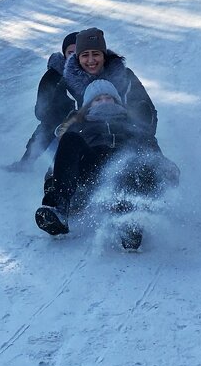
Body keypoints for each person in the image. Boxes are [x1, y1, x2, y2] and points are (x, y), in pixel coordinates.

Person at [35, 78, 179, 249]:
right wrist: (52, 183)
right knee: (70, 139)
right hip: (92, 173)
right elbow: (62, 160)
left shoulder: (133, 124)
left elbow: (151, 152)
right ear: (88, 106)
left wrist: (167, 169)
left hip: (128, 174)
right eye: (97, 99)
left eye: (108, 98)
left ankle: (129, 222)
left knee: (134, 151)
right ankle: (58, 209)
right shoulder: (80, 126)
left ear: (116, 100)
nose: (104, 102)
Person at [9, 32, 79, 170]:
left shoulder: (92, 70)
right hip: (59, 120)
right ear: (64, 54)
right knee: (46, 127)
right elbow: (41, 111)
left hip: (87, 119)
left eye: (78, 52)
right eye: (71, 53)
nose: (74, 57)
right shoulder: (53, 76)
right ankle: (26, 163)